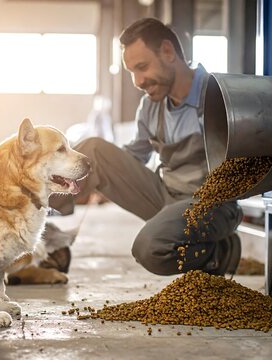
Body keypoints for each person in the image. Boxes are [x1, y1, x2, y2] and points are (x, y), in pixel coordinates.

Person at [50, 17, 242, 276]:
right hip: (167, 198)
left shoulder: (219, 96)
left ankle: (222, 251)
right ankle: (37, 215)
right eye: (131, 72)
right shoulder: (151, 106)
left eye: (142, 67)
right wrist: (96, 180)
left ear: (167, 52)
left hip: (212, 204)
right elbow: (133, 157)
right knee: (93, 151)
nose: (137, 81)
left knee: (150, 249)